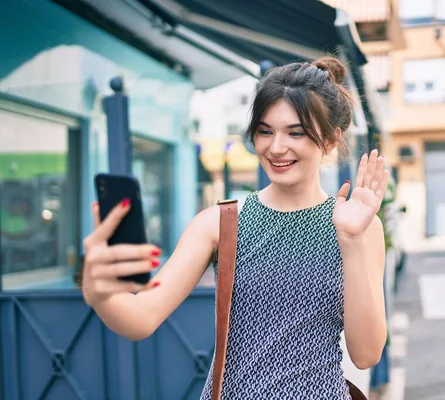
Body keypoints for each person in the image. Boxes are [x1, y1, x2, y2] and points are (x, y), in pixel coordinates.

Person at [81, 56, 390, 399]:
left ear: (330, 141)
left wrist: (350, 239)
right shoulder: (220, 222)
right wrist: (100, 293)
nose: (276, 147)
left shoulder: (359, 226)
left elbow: (366, 355)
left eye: (295, 133)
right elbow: (141, 317)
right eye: (265, 131)